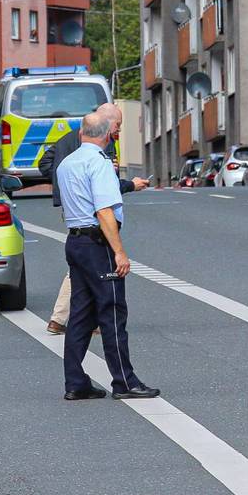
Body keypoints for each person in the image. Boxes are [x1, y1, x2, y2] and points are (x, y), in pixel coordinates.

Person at [55, 111, 158, 401]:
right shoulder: (98, 164)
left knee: (80, 316)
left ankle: (75, 381)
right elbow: (104, 211)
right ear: (105, 135)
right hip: (97, 245)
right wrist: (120, 252)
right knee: (112, 312)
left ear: (80, 133)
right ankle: (124, 381)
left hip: (74, 242)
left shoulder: (67, 163)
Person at [38, 103, 149, 335]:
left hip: (76, 211)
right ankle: (93, 321)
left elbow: (45, 163)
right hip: (95, 213)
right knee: (99, 264)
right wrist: (131, 184)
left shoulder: (70, 137)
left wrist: (67, 184)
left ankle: (63, 319)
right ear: (106, 123)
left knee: (83, 266)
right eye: (117, 125)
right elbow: (102, 195)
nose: (118, 131)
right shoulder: (100, 144)